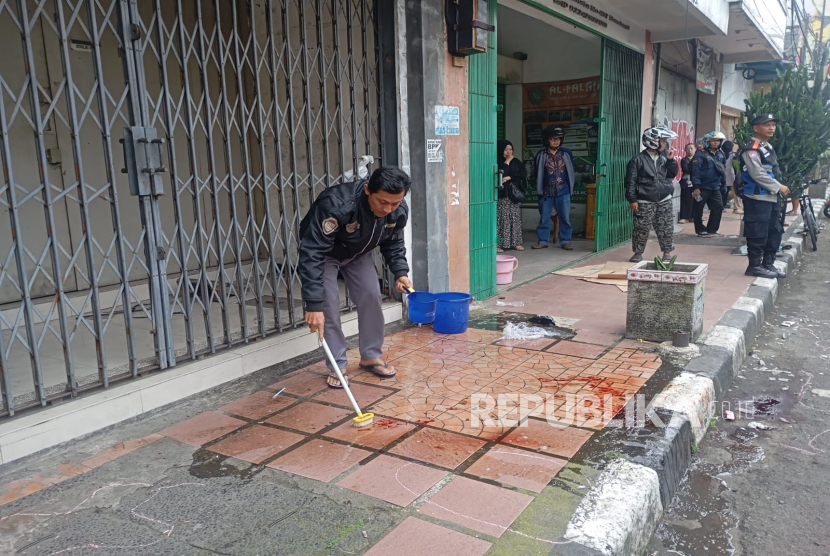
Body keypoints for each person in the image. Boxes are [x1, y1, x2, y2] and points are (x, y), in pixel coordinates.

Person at [299, 166, 414, 388]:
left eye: (394, 203)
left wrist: (401, 273)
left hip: (358, 252)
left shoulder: (397, 209)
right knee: (328, 305)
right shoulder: (336, 204)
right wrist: (313, 304)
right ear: (368, 189)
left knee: (371, 295)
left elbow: (393, 242)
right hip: (324, 254)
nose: (387, 209)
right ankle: (337, 365)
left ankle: (371, 356)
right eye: (382, 202)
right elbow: (312, 252)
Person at [739, 113, 789, 279]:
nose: (771, 128)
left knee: (774, 230)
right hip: (757, 197)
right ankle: (754, 266)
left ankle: (768, 264)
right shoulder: (752, 148)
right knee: (757, 231)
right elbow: (757, 173)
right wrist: (778, 187)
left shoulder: (767, 147)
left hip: (771, 196)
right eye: (767, 125)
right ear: (756, 128)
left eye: (773, 125)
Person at [625, 126, 679, 263]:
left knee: (666, 226)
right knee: (641, 227)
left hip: (664, 199)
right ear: (653, 141)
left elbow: (672, 174)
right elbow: (630, 181)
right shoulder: (637, 160)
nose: (665, 144)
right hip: (644, 200)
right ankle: (638, 253)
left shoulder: (664, 158)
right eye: (663, 141)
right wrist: (632, 199)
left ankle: (667, 252)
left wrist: (671, 160)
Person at [531, 126, 575, 251]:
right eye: (553, 139)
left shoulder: (566, 153)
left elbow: (571, 171)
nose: (556, 141)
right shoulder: (541, 155)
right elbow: (537, 173)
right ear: (547, 140)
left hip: (563, 191)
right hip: (546, 192)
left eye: (558, 139)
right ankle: (543, 241)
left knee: (565, 218)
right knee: (544, 218)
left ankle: (566, 241)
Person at [691, 131, 726, 237]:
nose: (716, 143)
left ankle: (712, 229)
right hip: (702, 187)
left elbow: (722, 170)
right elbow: (695, 171)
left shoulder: (721, 154)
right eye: (713, 140)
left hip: (715, 187)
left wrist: (723, 184)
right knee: (698, 209)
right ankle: (700, 229)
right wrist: (696, 187)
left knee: (718, 207)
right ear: (707, 141)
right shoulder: (700, 154)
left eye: (718, 141)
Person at [496, 140, 527, 252]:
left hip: (513, 196)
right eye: (506, 150)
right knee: (502, 219)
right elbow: (502, 174)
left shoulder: (517, 162)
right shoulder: (497, 162)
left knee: (515, 219)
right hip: (502, 195)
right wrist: (507, 162)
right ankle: (499, 244)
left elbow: (523, 174)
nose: (509, 152)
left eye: (511, 149)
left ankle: (516, 243)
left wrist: (510, 177)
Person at [723, 140, 743, 214]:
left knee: (723, 192)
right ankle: (736, 208)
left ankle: (721, 206)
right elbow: (736, 166)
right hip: (732, 175)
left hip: (723, 175)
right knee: (736, 192)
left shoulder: (721, 154)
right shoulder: (733, 155)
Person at [678, 143, 696, 223]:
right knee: (686, 199)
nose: (690, 150)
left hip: (696, 181)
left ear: (695, 149)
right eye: (688, 149)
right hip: (687, 181)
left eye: (692, 148)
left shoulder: (698, 159)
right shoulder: (684, 160)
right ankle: (684, 217)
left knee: (696, 199)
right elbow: (686, 170)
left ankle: (693, 216)